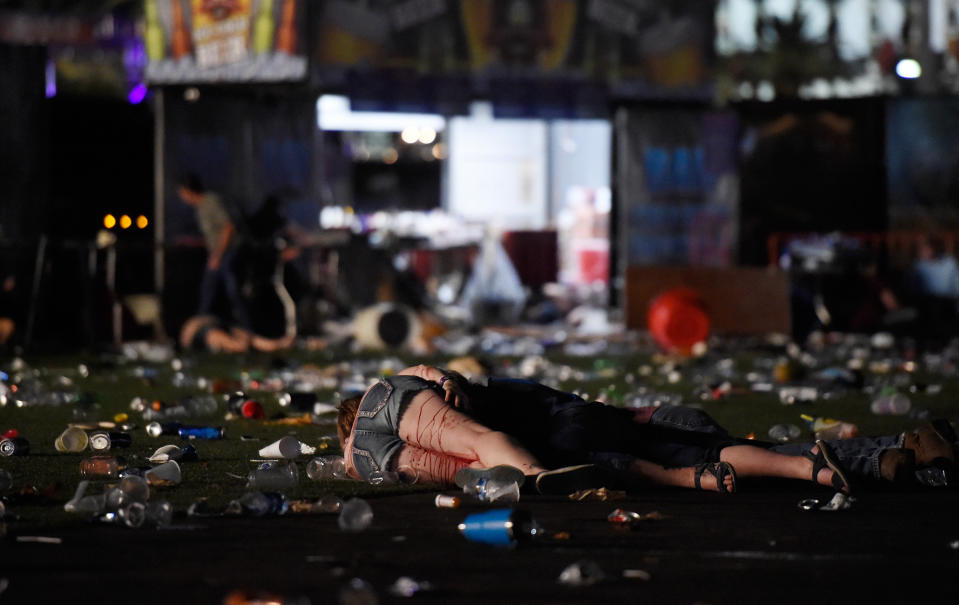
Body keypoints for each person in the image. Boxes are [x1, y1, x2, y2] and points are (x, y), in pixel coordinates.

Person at [333, 365, 951, 495]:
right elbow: (465, 380)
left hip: (594, 444)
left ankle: (885, 455)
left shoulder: (397, 431)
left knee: (718, 457)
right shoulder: (474, 393)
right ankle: (884, 453)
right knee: (727, 447)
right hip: (600, 426)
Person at [178, 174, 251, 330]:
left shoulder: (210, 202)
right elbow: (213, 233)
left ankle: (247, 328)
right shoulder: (200, 208)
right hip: (217, 253)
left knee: (232, 290)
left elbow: (228, 227)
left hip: (228, 251)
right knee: (208, 289)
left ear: (189, 191)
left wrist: (218, 255)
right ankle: (201, 327)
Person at [178, 314, 294, 353]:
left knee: (249, 339)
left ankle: (281, 343)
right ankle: (280, 344)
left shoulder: (223, 328)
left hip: (204, 325)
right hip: (201, 331)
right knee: (243, 342)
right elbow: (241, 346)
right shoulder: (212, 334)